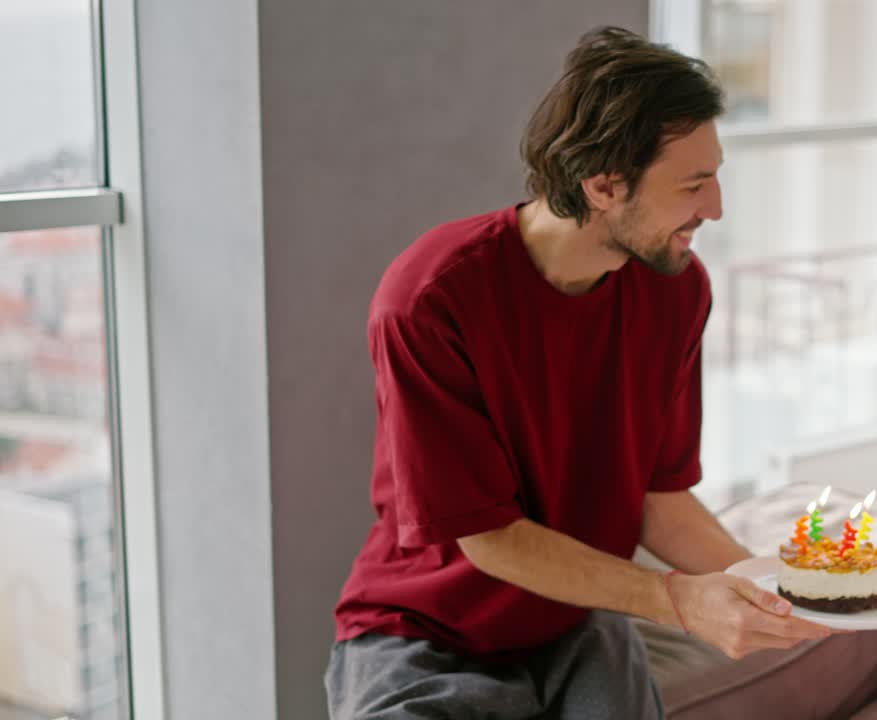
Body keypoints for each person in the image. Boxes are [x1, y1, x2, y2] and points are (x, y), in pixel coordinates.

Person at [325, 26, 830, 720]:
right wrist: (676, 600)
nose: (714, 208)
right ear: (602, 185)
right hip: (425, 631)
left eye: (715, 177)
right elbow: (489, 536)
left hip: (575, 620)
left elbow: (661, 499)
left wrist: (777, 591)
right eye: (693, 184)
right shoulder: (431, 299)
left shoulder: (677, 289)